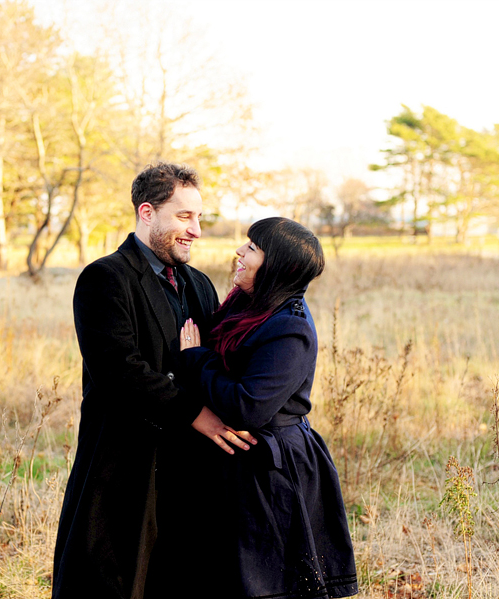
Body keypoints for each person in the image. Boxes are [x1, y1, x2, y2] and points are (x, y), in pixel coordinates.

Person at [52, 162, 256, 599]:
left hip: (190, 474)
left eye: (199, 217)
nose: (196, 230)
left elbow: (218, 361)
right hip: (125, 467)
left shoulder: (199, 284)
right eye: (185, 216)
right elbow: (119, 370)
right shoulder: (105, 278)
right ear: (147, 212)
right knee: (113, 584)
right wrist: (196, 413)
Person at [172, 217, 359, 599]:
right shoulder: (248, 304)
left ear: (276, 266)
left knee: (265, 583)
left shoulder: (290, 329)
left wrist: (196, 359)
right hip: (236, 460)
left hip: (270, 469)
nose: (239, 252)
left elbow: (248, 407)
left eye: (253, 248)